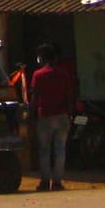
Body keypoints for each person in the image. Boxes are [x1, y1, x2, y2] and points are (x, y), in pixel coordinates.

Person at [25, 43, 77, 192]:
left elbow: (34, 97)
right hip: (62, 116)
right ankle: (57, 182)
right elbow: (69, 96)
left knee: (44, 150)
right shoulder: (64, 74)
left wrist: (31, 115)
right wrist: (70, 114)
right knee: (60, 150)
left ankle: (44, 182)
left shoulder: (38, 75)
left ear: (41, 58)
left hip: (45, 116)